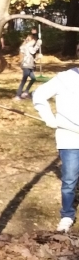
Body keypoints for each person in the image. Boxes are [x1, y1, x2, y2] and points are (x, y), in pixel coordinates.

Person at [33, 67, 79, 233]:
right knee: (69, 180)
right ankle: (67, 215)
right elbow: (38, 95)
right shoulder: (65, 78)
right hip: (70, 139)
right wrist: (49, 118)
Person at [15, 34, 39, 100]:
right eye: (34, 40)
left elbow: (30, 55)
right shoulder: (29, 46)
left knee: (33, 78)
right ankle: (18, 95)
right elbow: (33, 51)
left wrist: (36, 59)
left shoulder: (27, 46)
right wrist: (38, 45)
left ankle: (26, 92)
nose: (35, 41)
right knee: (24, 80)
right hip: (26, 65)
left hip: (29, 65)